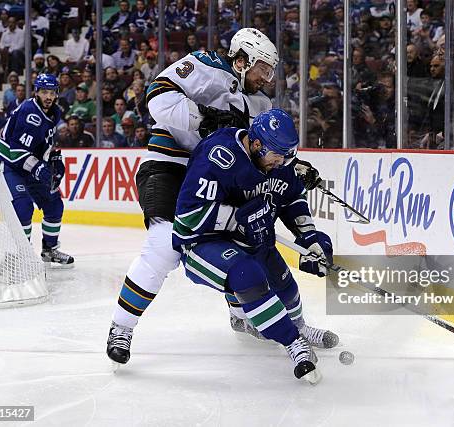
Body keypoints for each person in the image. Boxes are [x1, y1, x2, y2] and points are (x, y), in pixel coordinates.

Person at [106, 28, 321, 365]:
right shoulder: (205, 66)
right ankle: (122, 327)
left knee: (244, 242)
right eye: (263, 68)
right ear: (241, 60)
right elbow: (157, 97)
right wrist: (203, 118)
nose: (267, 77)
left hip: (220, 178)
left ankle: (244, 314)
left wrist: (294, 165)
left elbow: (263, 146)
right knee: (164, 244)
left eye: (270, 71)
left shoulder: (260, 102)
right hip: (170, 165)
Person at [0, 74, 74, 266]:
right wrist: (39, 169)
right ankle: (21, 256)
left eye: (51, 92)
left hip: (27, 163)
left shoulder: (54, 112)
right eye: (44, 92)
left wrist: (54, 157)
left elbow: (42, 142)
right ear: (36, 92)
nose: (48, 96)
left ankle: (49, 250)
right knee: (23, 207)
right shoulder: (30, 114)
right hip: (8, 164)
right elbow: (16, 152)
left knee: (54, 204)